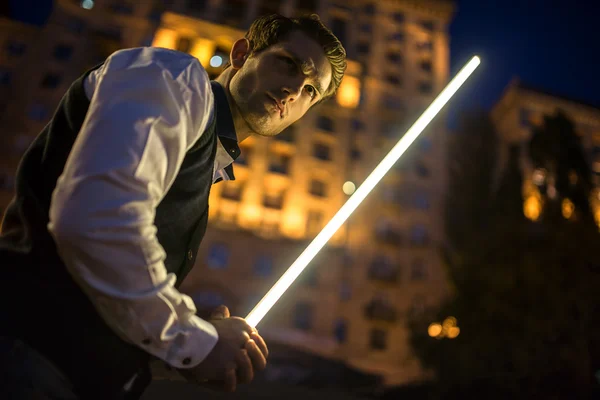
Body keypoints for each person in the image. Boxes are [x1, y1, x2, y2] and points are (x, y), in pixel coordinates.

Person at [0, 13, 346, 400]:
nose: (293, 90)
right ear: (241, 53)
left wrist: (188, 342)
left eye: (311, 90)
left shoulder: (206, 159)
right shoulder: (175, 77)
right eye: (287, 63)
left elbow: (108, 294)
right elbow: (95, 222)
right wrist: (195, 343)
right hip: (28, 355)